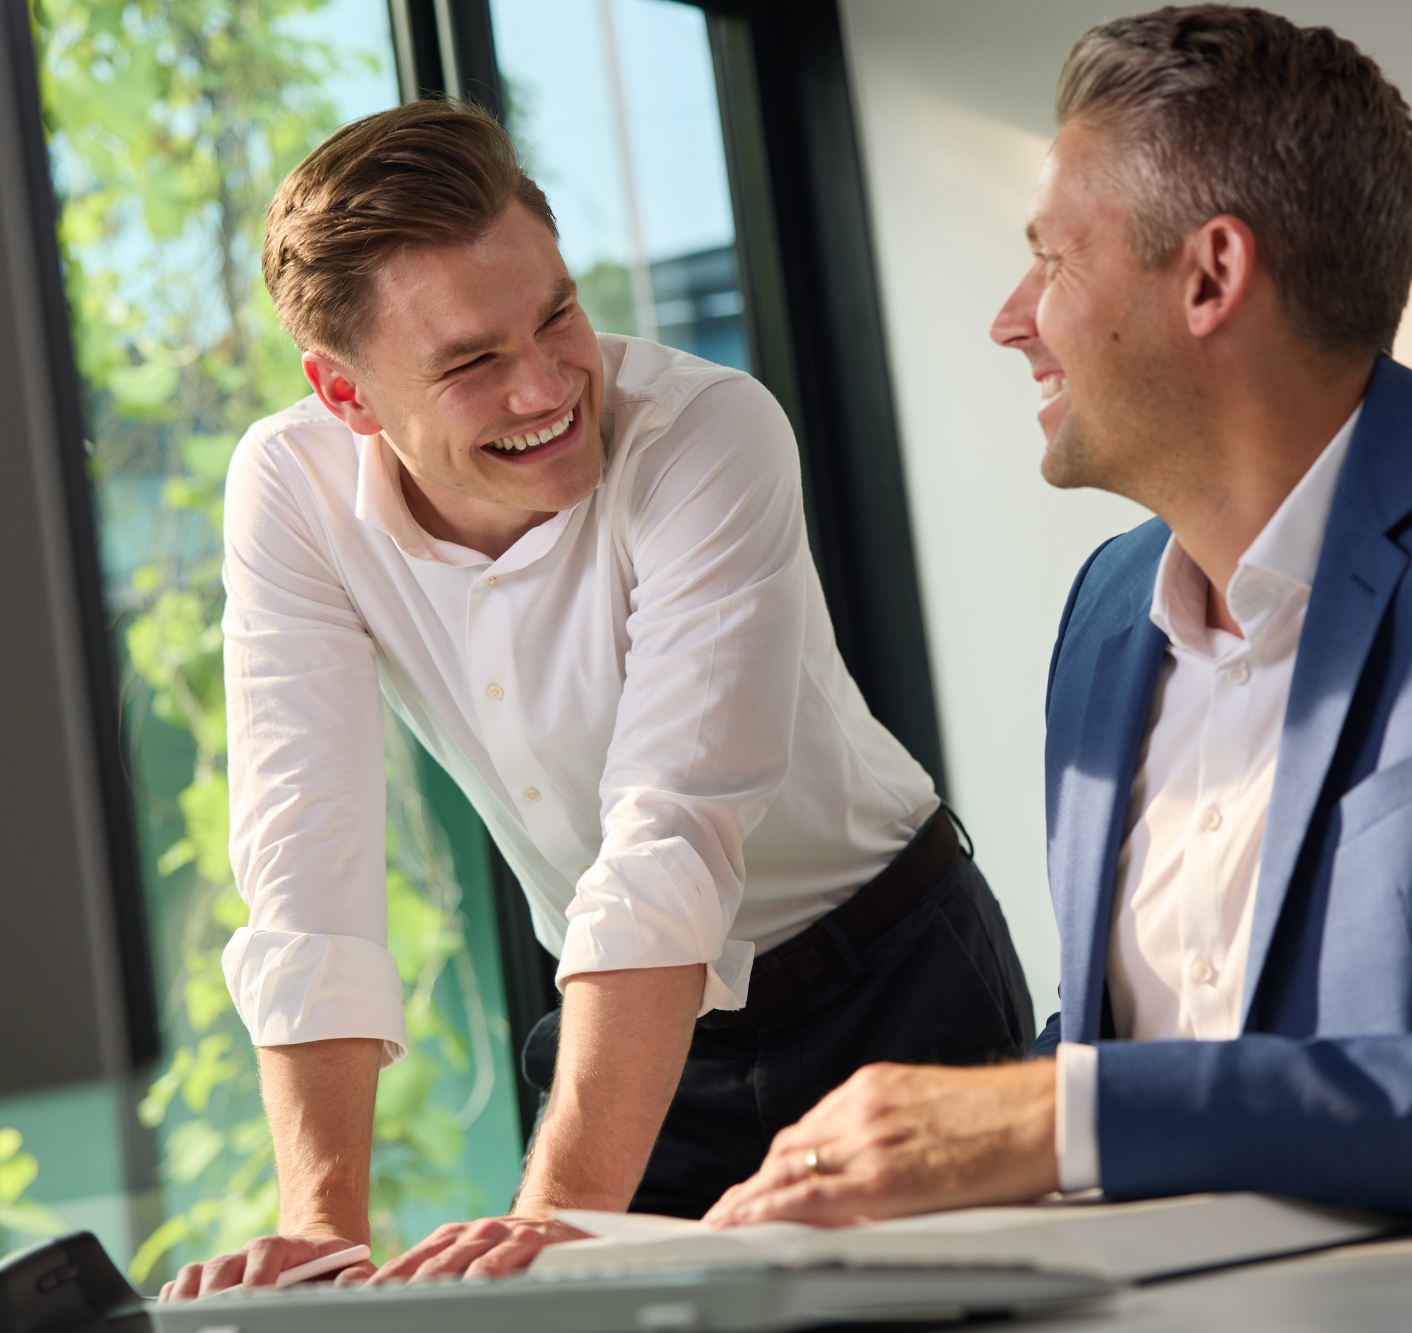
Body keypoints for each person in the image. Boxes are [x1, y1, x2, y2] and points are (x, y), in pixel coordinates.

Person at [706, 4, 1412, 1230]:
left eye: (1052, 259)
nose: (1012, 318)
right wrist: (885, 1171)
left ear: (1210, 276)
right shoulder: (1105, 614)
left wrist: (1063, 1116)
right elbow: (1131, 1042)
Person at [160, 99, 1031, 1299]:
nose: (544, 386)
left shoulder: (708, 434)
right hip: (628, 1044)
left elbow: (667, 837)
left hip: (886, 984)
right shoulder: (288, 489)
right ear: (345, 395)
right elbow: (305, 868)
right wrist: (319, 1228)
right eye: (471, 362)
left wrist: (552, 1216)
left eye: (556, 314)